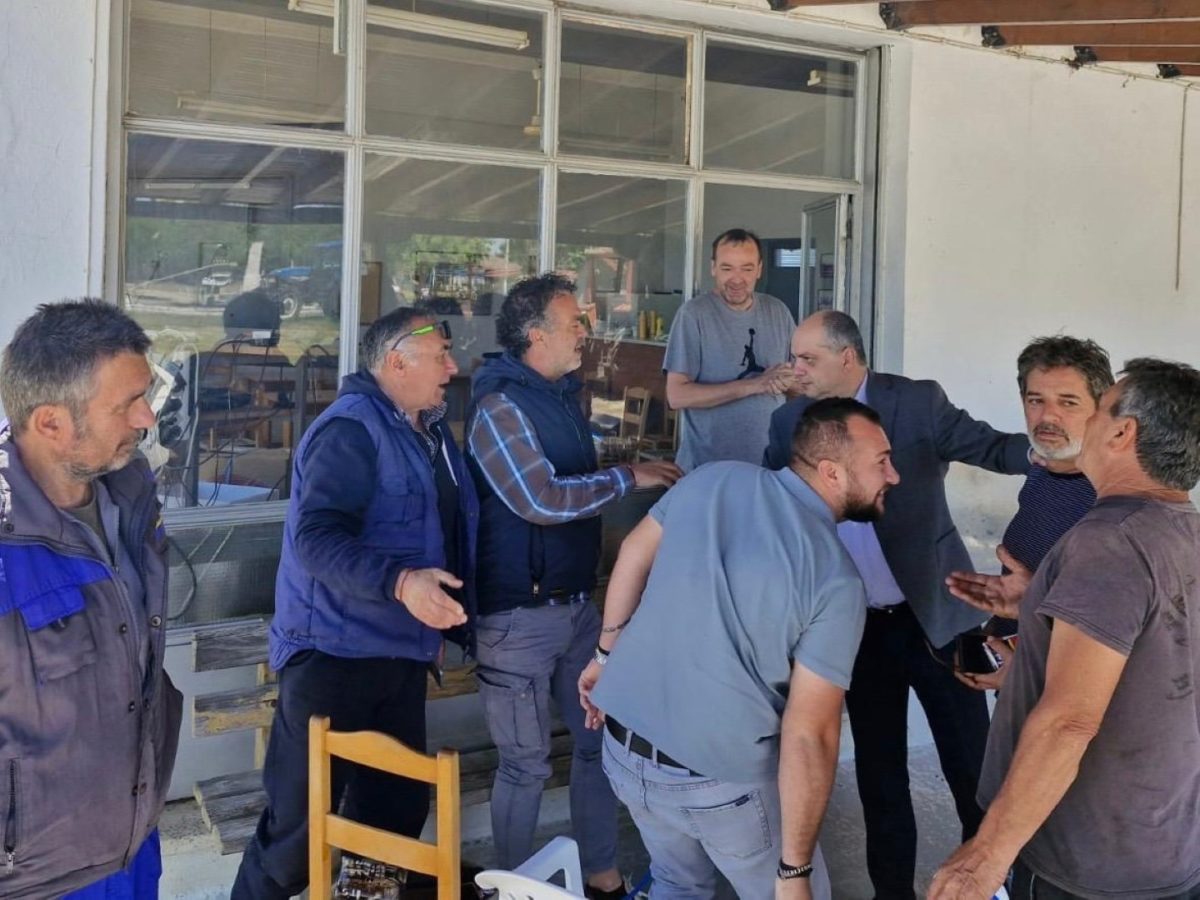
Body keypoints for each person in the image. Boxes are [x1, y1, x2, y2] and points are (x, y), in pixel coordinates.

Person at [579, 398, 898, 900]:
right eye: (881, 462)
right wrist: (794, 871)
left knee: (676, 883)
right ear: (832, 473)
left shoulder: (713, 478)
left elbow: (635, 551)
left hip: (623, 749)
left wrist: (605, 656)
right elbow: (809, 735)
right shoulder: (836, 581)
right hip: (716, 784)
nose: (894, 476)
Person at [764, 311, 1030, 900]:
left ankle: (992, 884)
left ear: (847, 358)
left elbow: (990, 446)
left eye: (808, 359)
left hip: (936, 614)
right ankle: (892, 893)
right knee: (880, 774)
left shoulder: (915, 403)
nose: (795, 370)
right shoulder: (788, 423)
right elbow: (774, 508)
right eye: (794, 358)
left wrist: (1053, 449)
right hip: (854, 629)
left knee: (972, 764)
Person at [929, 359, 1200, 900]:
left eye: (1099, 410)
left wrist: (985, 858)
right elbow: (1159, 662)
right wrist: (1039, 610)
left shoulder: (1110, 541)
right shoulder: (1183, 530)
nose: (1086, 422)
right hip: (1165, 843)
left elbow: (1069, 722)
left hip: (1088, 856)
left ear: (1123, 433)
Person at [233, 307, 476, 900]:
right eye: (440, 354)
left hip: (400, 656)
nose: (452, 366)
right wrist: (403, 583)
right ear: (397, 362)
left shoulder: (428, 430)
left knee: (390, 823)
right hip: (332, 659)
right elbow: (315, 538)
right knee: (297, 838)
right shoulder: (350, 430)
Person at [466, 274, 680, 899]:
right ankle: (512, 891)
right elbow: (540, 499)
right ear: (537, 336)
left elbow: (571, 479)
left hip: (577, 607)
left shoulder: (560, 396)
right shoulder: (498, 407)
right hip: (518, 617)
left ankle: (601, 876)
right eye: (574, 323)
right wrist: (628, 476)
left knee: (597, 744)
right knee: (525, 766)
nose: (586, 332)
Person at [0, 299, 182, 899]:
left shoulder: (130, 495)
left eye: (145, 395)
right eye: (127, 404)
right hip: (36, 879)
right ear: (51, 423)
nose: (146, 418)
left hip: (132, 845)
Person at [947, 336, 1112, 692]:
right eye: (1036, 400)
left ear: (1103, 409)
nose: (1048, 416)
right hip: (1022, 687)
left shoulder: (1112, 499)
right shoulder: (1041, 471)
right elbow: (1029, 594)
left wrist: (1026, 671)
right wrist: (997, 637)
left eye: (1067, 402)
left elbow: (1114, 627)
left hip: (1068, 700)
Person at [664, 228, 796, 470]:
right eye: (727, 268)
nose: (737, 279)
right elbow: (677, 395)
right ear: (713, 268)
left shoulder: (778, 311)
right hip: (708, 471)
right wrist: (755, 385)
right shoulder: (694, 314)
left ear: (759, 269)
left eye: (747, 269)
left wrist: (788, 382)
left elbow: (799, 385)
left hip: (769, 469)